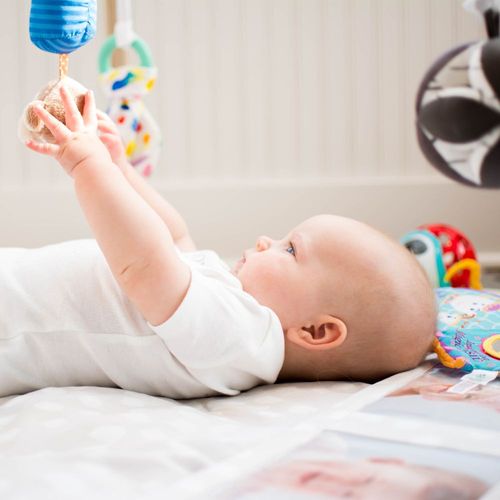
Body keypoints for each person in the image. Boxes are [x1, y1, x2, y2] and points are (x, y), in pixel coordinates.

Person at [2, 86, 435, 399]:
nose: (267, 240)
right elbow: (173, 238)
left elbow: (145, 264)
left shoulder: (241, 341)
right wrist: (121, 168)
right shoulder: (227, 308)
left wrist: (88, 165)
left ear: (315, 331)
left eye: (291, 249)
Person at [229, 457, 488, 499]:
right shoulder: (324, 445)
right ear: (384, 460)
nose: (340, 483)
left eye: (347, 498)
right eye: (367, 479)